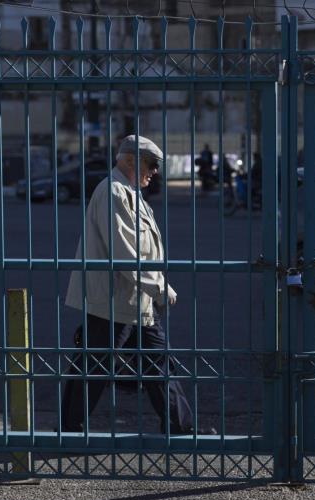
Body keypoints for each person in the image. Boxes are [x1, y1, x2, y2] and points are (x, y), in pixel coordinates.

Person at [61, 134, 214, 436]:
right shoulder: (114, 192)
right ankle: (68, 430)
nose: (155, 171)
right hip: (114, 300)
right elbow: (124, 252)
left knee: (158, 363)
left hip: (135, 299)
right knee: (95, 366)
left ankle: (179, 426)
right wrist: (158, 287)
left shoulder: (131, 193)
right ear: (130, 160)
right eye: (152, 163)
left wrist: (156, 285)